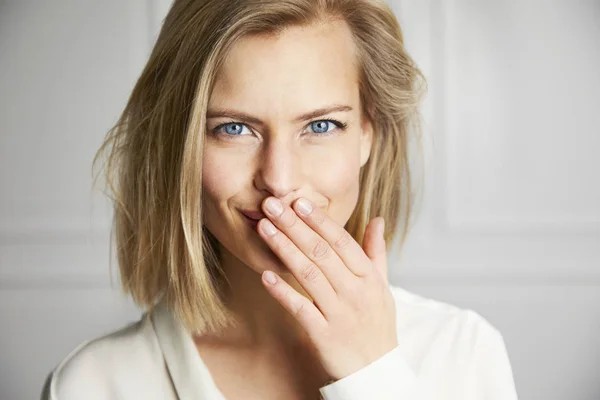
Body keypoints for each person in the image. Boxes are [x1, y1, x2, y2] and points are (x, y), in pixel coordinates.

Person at [41, 0, 519, 399]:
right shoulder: (90, 384)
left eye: (321, 126)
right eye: (234, 128)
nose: (279, 179)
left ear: (367, 135)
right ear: (181, 144)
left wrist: (374, 377)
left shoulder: (462, 354)